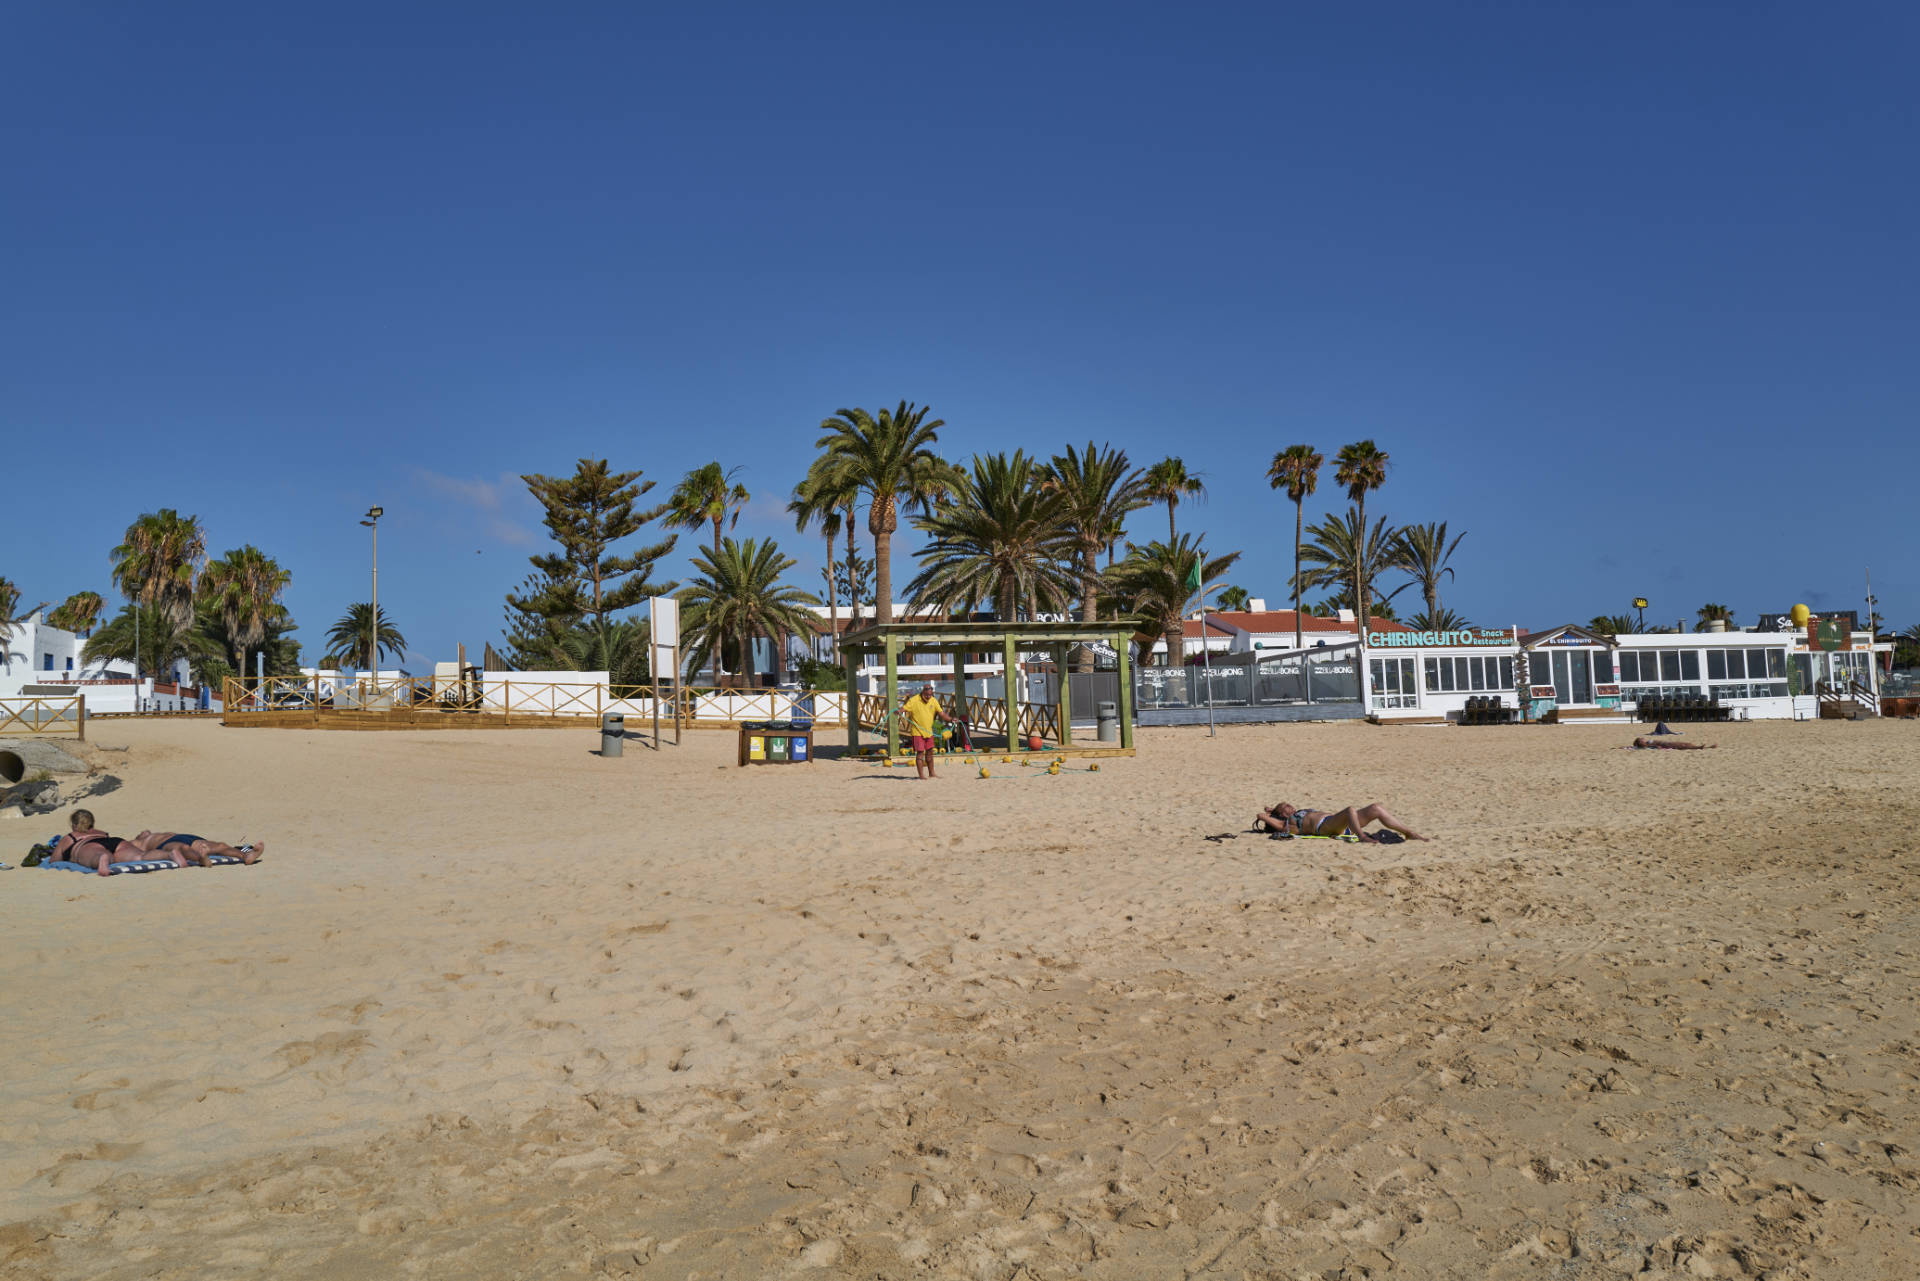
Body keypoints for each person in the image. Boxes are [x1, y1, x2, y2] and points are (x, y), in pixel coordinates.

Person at [51, 809, 184, 876]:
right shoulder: (101, 832)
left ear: (74, 824)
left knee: (98, 855)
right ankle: (169, 855)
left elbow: (54, 861)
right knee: (141, 857)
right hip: (114, 841)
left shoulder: (70, 837)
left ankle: (103, 859)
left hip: (88, 845)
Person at [1253, 800, 1429, 844]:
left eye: (1288, 804)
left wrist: (1274, 810)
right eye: (1285, 807)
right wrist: (1272, 813)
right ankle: (1361, 837)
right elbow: (1261, 816)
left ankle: (1409, 833)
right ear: (1280, 815)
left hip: (1340, 823)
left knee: (1375, 807)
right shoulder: (1287, 824)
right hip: (1325, 828)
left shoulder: (1297, 813)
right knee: (1350, 810)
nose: (1289, 806)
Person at [899, 682, 954, 780]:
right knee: (920, 753)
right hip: (917, 732)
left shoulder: (933, 700)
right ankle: (921, 775)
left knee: (930, 752)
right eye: (927, 695)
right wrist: (898, 711)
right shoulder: (914, 700)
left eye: (930, 695)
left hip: (929, 731)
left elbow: (941, 713)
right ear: (923, 692)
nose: (928, 697)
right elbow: (904, 708)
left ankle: (932, 773)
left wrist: (951, 719)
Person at [133, 830, 265, 866]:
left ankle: (245, 855)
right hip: (164, 845)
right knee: (183, 848)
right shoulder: (134, 843)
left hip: (184, 836)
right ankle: (202, 859)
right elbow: (124, 852)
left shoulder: (146, 835)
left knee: (221, 846)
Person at [1631, 736, 1715, 750]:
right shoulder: (1646, 744)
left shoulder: (1647, 742)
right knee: (1683, 746)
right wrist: (1656, 747)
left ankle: (1707, 747)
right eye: (1640, 739)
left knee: (1686, 743)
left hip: (1667, 743)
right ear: (1640, 742)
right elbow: (1652, 746)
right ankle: (1699, 748)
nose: (1642, 738)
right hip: (1665, 745)